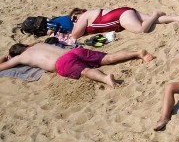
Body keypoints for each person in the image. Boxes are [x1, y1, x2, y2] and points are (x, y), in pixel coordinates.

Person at [0, 42, 153, 88]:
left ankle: (106, 79)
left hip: (61, 63)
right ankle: (138, 53)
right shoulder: (38, 44)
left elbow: (2, 67)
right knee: (108, 57)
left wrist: (5, 58)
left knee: (85, 71)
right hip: (74, 52)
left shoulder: (21, 57)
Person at [69, 7, 179, 40]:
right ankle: (178, 18)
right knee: (151, 21)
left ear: (78, 13)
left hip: (121, 17)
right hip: (123, 13)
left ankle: (155, 13)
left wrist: (75, 24)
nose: (74, 20)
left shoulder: (84, 16)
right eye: (73, 20)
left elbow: (75, 35)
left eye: (74, 18)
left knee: (141, 29)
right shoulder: (88, 16)